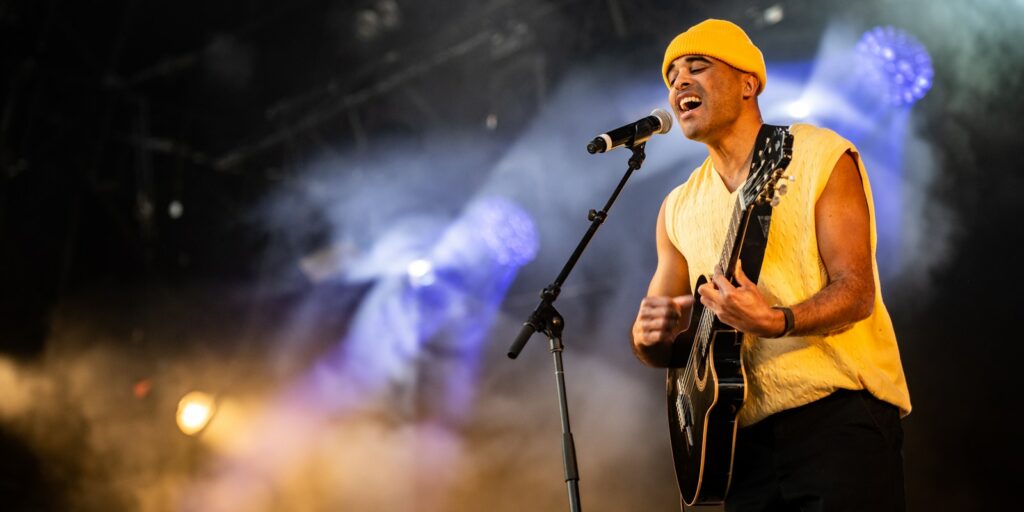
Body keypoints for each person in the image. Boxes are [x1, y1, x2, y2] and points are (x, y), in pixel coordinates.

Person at [630, 19, 912, 511]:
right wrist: (649, 339)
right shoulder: (675, 207)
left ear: (748, 83)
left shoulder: (816, 154)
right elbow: (664, 341)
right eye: (671, 76)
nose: (679, 82)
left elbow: (856, 291)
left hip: (838, 419)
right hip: (739, 444)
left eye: (698, 67)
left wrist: (777, 321)